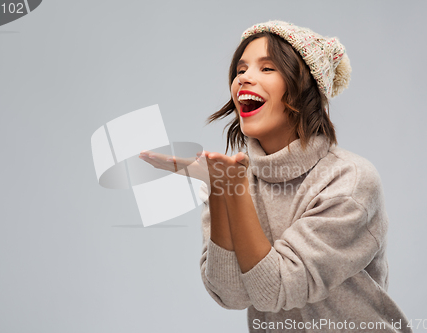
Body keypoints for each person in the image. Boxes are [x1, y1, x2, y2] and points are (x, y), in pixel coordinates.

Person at [140, 20, 412, 333]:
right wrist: (220, 191)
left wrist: (232, 190)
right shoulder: (230, 177)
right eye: (240, 70)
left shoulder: (349, 182)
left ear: (302, 90)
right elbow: (228, 294)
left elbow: (276, 289)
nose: (244, 79)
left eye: (267, 69)